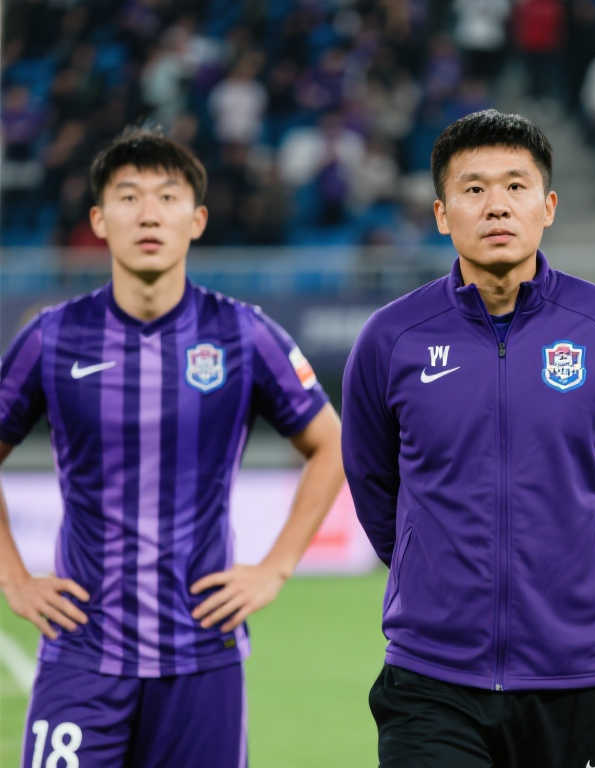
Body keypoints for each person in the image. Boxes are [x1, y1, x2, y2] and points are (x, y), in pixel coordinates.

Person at [0, 127, 344, 767]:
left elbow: (333, 444)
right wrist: (13, 579)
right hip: (82, 653)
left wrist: (275, 568)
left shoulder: (243, 334)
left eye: (168, 196)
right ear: (99, 221)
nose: (149, 214)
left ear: (197, 220)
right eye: (129, 197)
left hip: (201, 657)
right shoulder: (52, 337)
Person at [342, 109, 595, 768]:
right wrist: (430, 574)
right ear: (441, 214)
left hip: (574, 674)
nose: (496, 205)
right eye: (474, 188)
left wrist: (578, 573)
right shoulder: (390, 338)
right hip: (431, 676)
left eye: (516, 186)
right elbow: (373, 484)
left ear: (548, 207)